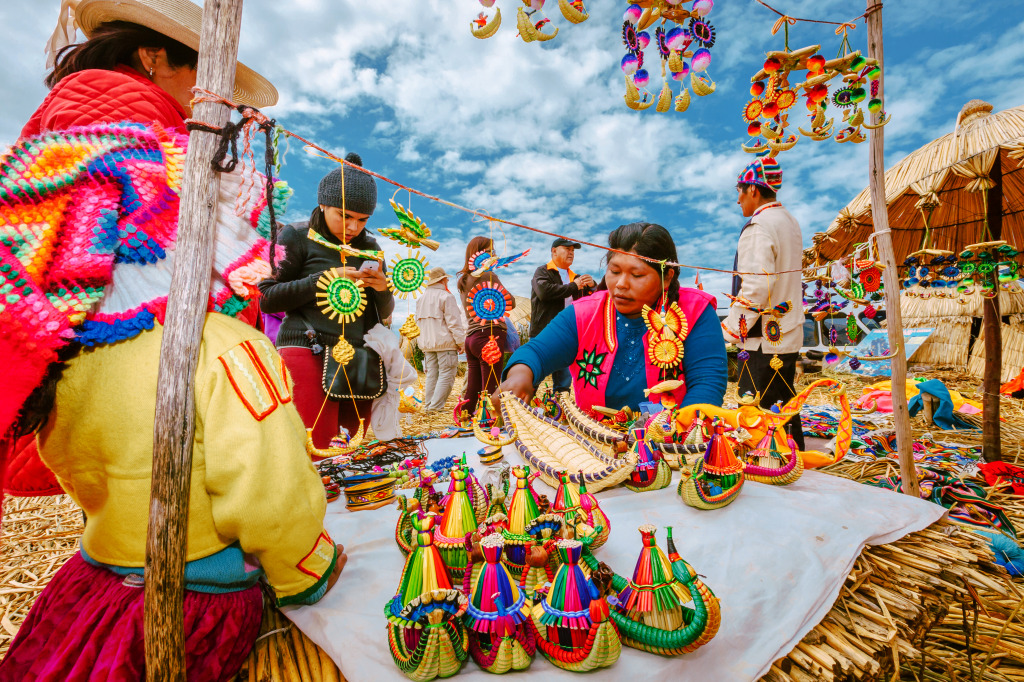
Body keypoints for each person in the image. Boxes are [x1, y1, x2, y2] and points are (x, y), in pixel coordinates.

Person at [0, 2, 341, 679]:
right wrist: (312, 571)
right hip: (192, 610)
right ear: (155, 59)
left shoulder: (62, 353)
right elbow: (270, 496)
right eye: (195, 82)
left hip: (92, 587)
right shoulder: (219, 348)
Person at [498, 223, 727, 412]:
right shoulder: (584, 313)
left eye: (637, 275)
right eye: (614, 271)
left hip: (672, 444)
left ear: (666, 277)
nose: (621, 284)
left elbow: (707, 383)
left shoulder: (694, 311)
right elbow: (537, 351)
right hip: (596, 447)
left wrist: (682, 433)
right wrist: (520, 374)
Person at [258, 154, 395, 449]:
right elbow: (266, 297)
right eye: (344, 216)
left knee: (347, 451)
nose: (353, 227)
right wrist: (322, 279)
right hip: (307, 349)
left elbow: (383, 314)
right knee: (312, 449)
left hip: (359, 359)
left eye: (362, 220)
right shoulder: (295, 235)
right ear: (322, 204)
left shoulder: (371, 247)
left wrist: (383, 289)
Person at [722, 157, 806, 450]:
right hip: (786, 331)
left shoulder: (758, 226)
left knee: (757, 407)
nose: (738, 200)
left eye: (739, 191)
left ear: (753, 191)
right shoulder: (789, 222)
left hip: (761, 340)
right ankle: (794, 457)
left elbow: (757, 286)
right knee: (782, 401)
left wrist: (730, 330)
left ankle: (772, 465)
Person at [457, 236, 517, 417]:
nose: (495, 255)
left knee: (473, 390)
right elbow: (510, 302)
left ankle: (464, 421)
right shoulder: (488, 275)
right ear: (481, 254)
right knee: (491, 388)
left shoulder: (464, 280)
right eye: (492, 251)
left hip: (471, 338)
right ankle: (492, 428)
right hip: (489, 336)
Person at [529, 237, 596, 393]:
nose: (571, 253)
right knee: (535, 374)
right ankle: (524, 407)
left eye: (573, 251)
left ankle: (561, 409)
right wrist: (574, 286)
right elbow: (544, 292)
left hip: (567, 334)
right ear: (554, 251)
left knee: (564, 380)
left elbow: (594, 299)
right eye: (567, 249)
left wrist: (592, 286)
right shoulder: (543, 271)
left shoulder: (577, 277)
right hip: (543, 333)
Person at [415, 266, 466, 412]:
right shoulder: (446, 297)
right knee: (447, 374)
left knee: (432, 374)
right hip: (445, 344)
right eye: (447, 279)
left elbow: (417, 323)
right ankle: (435, 407)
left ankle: (429, 405)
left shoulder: (421, 299)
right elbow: (454, 323)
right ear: (443, 280)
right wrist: (461, 342)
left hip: (427, 344)